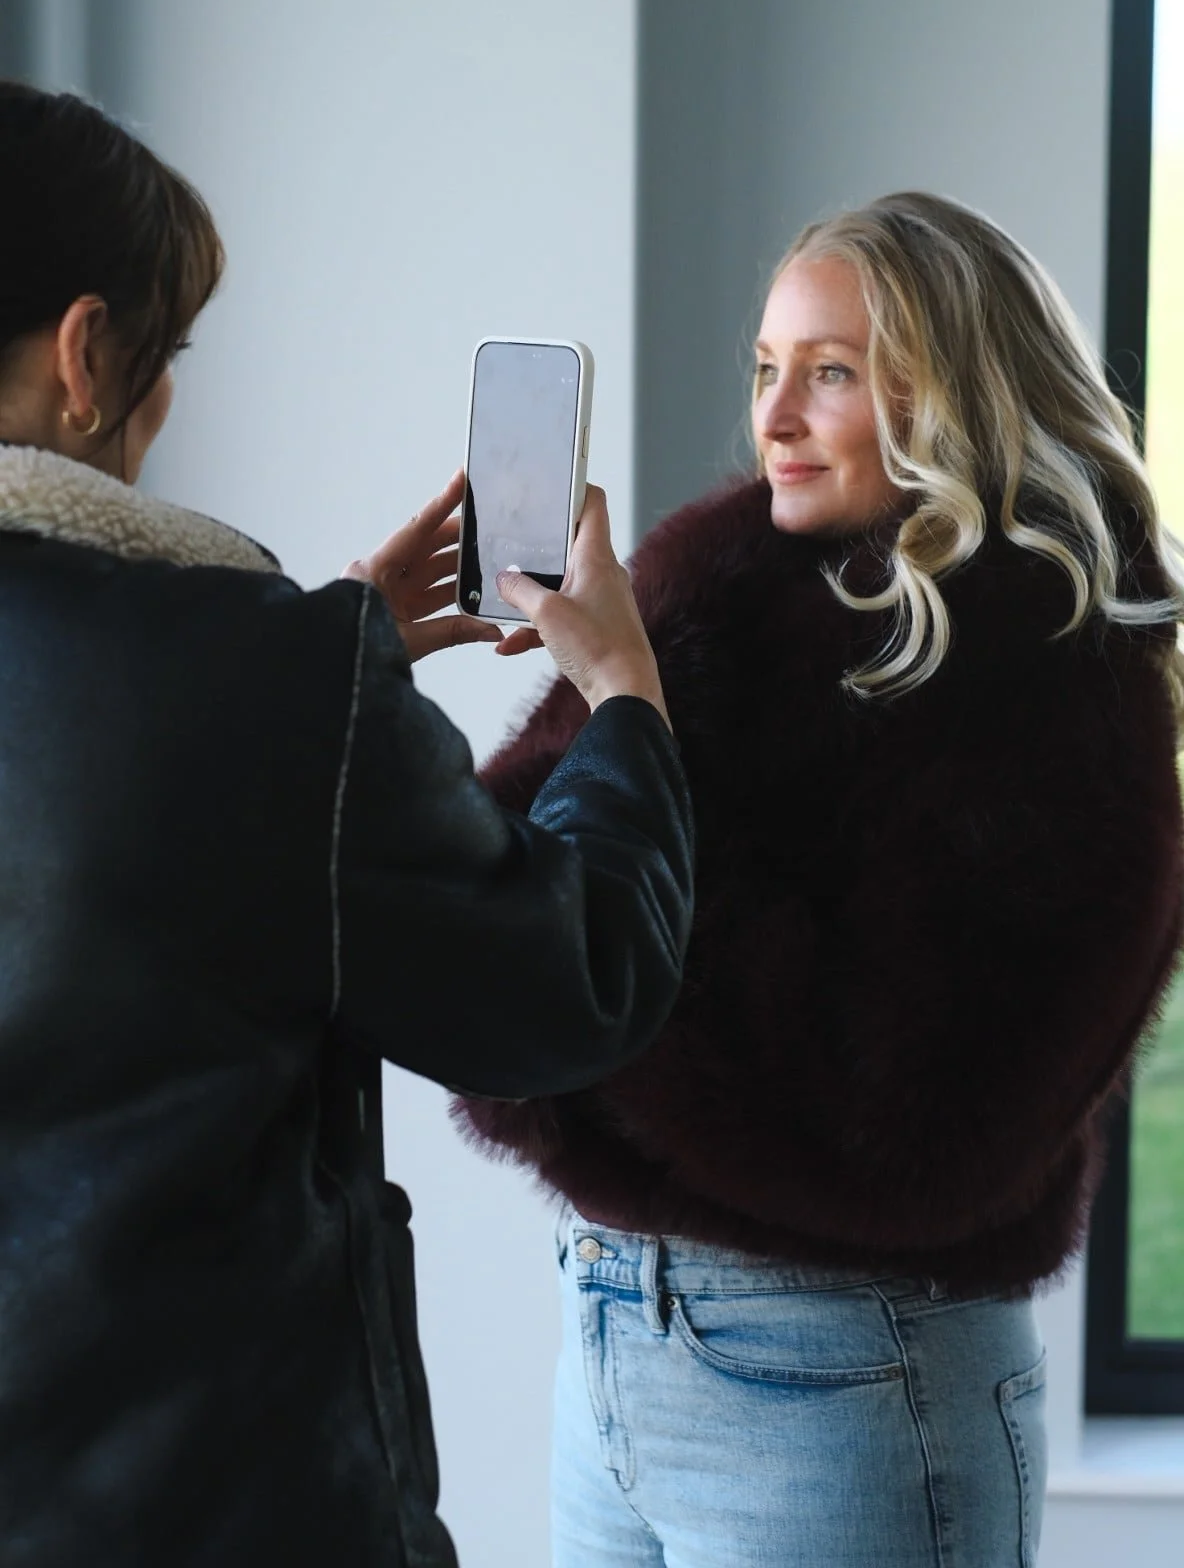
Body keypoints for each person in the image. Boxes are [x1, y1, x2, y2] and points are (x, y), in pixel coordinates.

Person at [0, 80, 695, 1568]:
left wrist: (325, 653)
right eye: (163, 352)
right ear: (84, 353)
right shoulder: (261, 682)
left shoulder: (273, 673)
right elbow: (566, 987)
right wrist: (624, 693)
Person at [456, 191, 1184, 1568]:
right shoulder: (707, 589)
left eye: (832, 373)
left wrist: (629, 715)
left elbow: (917, 1128)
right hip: (613, 1334)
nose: (774, 415)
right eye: (765, 368)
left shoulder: (1047, 673)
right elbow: (507, 925)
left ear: (957, 395)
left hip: (849, 1373)